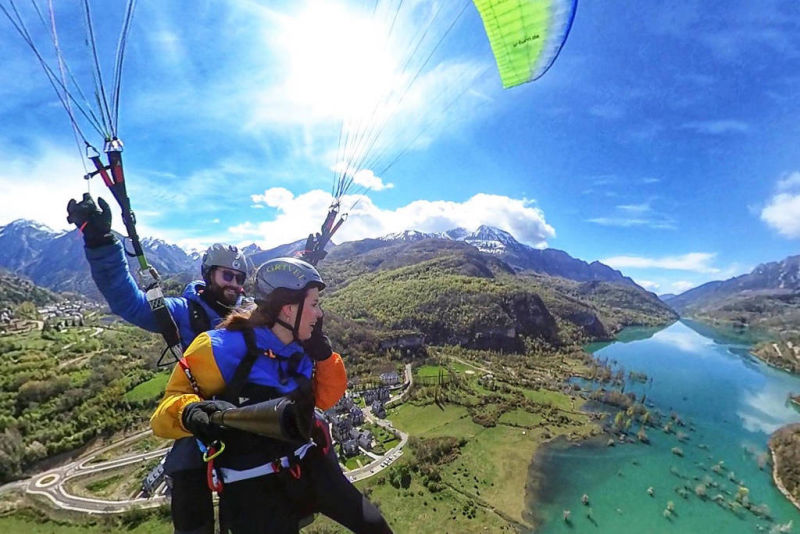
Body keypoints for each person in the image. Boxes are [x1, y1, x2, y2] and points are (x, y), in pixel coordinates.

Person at [65, 194, 346, 533]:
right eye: (228, 276)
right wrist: (101, 243)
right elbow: (129, 303)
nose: (235, 286)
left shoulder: (256, 311)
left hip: (255, 411)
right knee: (187, 485)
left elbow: (289, 300)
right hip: (202, 411)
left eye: (241, 279)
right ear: (210, 275)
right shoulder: (187, 311)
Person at [151, 258, 392, 534]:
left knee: (375, 527)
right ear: (288, 310)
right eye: (314, 304)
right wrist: (190, 411)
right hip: (254, 484)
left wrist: (324, 356)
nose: (319, 314)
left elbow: (325, 399)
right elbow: (162, 415)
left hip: (305, 463)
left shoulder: (301, 348)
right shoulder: (219, 349)